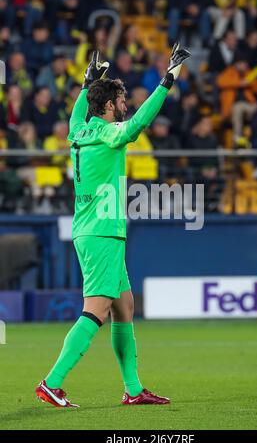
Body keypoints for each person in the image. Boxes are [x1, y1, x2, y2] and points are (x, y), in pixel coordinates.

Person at [35, 44, 191, 407]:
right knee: (96, 310)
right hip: (102, 232)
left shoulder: (78, 129)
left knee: (124, 306)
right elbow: (139, 123)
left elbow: (81, 108)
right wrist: (168, 81)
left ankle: (133, 389)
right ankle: (52, 382)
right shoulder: (109, 135)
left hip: (94, 230)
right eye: (120, 100)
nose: (125, 105)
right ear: (108, 106)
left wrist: (89, 81)